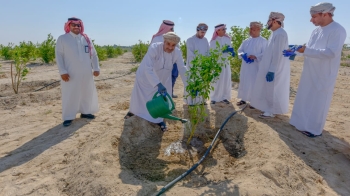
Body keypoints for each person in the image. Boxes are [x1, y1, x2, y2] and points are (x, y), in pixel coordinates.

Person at [290, 2, 347, 137]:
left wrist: (306, 50)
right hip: (309, 71)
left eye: (314, 16)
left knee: (318, 100)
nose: (311, 20)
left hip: (324, 73)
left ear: (325, 14)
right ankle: (300, 123)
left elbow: (331, 53)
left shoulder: (338, 30)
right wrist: (295, 51)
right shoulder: (316, 31)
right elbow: (308, 49)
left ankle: (314, 129)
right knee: (305, 96)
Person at [125, 32, 188, 132]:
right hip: (146, 76)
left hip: (163, 78)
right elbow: (148, 68)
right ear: (164, 41)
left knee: (160, 101)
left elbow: (182, 68)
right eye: (168, 44)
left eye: (173, 45)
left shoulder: (177, 52)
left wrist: (189, 86)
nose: (170, 47)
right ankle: (134, 112)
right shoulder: (154, 48)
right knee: (140, 98)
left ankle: (158, 120)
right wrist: (157, 84)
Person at [55, 17, 100, 127]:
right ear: (69, 26)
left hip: (86, 72)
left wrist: (96, 68)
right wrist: (63, 71)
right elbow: (59, 56)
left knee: (86, 92)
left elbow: (94, 54)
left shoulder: (86, 39)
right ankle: (68, 117)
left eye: (78, 25)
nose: (76, 27)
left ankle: (85, 112)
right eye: (73, 25)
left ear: (81, 26)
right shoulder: (62, 39)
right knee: (70, 93)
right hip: (70, 72)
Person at [250, 12, 290, 118]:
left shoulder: (280, 34)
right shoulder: (274, 33)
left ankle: (272, 111)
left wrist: (272, 69)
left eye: (269, 21)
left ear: (275, 21)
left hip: (274, 68)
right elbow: (269, 52)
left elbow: (277, 54)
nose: (267, 23)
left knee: (273, 89)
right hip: (269, 66)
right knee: (268, 89)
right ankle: (268, 108)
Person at [236, 22, 267, 108]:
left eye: (252, 29)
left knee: (254, 83)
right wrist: (243, 55)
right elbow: (240, 50)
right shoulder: (246, 41)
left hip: (256, 66)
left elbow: (265, 53)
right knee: (244, 81)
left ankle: (254, 101)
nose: (250, 31)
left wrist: (255, 56)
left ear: (258, 30)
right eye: (250, 29)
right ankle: (243, 99)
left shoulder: (263, 41)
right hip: (246, 66)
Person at [150, 20, 179, 98]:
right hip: (157, 68)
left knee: (170, 82)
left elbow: (177, 52)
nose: (172, 30)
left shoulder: (174, 38)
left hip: (170, 66)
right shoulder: (156, 39)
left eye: (173, 29)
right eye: (171, 29)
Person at [185, 23, 210, 105]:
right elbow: (191, 54)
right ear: (197, 30)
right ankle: (191, 102)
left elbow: (208, 52)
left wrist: (208, 62)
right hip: (193, 67)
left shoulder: (205, 40)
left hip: (203, 67)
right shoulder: (190, 40)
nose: (203, 34)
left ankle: (201, 101)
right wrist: (200, 62)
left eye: (204, 32)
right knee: (192, 83)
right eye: (202, 32)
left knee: (202, 83)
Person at [209, 24, 234, 104]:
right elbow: (212, 53)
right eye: (223, 29)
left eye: (225, 29)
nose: (225, 30)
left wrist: (231, 51)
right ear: (218, 30)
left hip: (226, 63)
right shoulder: (213, 41)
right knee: (216, 80)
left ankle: (225, 97)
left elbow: (230, 49)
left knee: (226, 79)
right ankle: (214, 97)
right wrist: (221, 51)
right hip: (217, 63)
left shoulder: (228, 39)